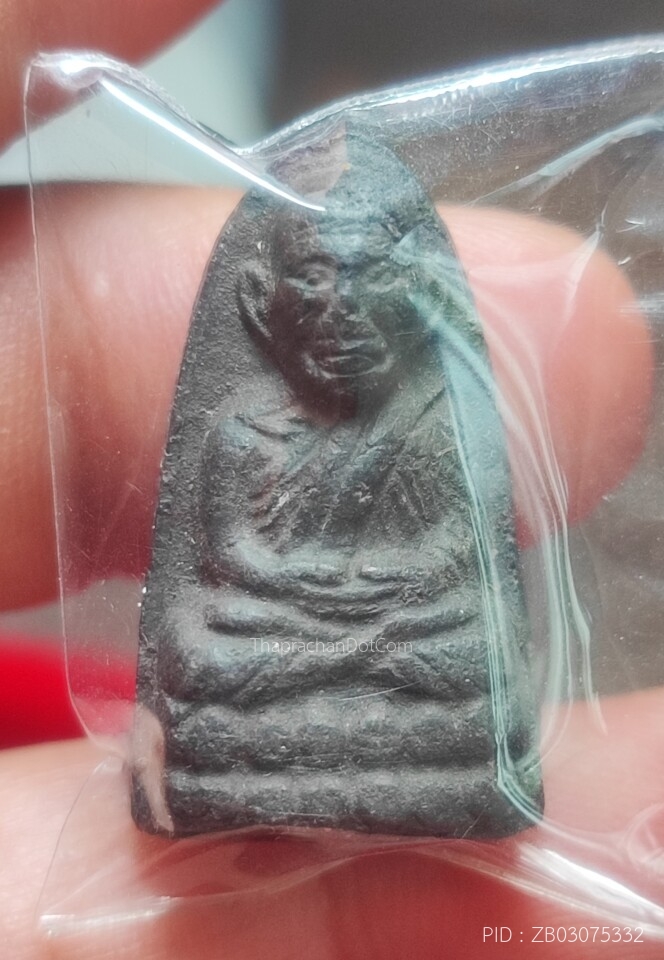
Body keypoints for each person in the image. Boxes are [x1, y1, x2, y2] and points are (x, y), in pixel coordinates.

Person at [0, 3, 658, 957]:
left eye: (369, 279)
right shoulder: (243, 426)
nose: (343, 309)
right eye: (314, 284)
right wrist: (336, 611)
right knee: (202, 654)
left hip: (400, 638)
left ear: (417, 296)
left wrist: (371, 611)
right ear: (262, 308)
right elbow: (227, 564)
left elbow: (456, 561)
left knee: (467, 666)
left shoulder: (434, 420)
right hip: (293, 636)